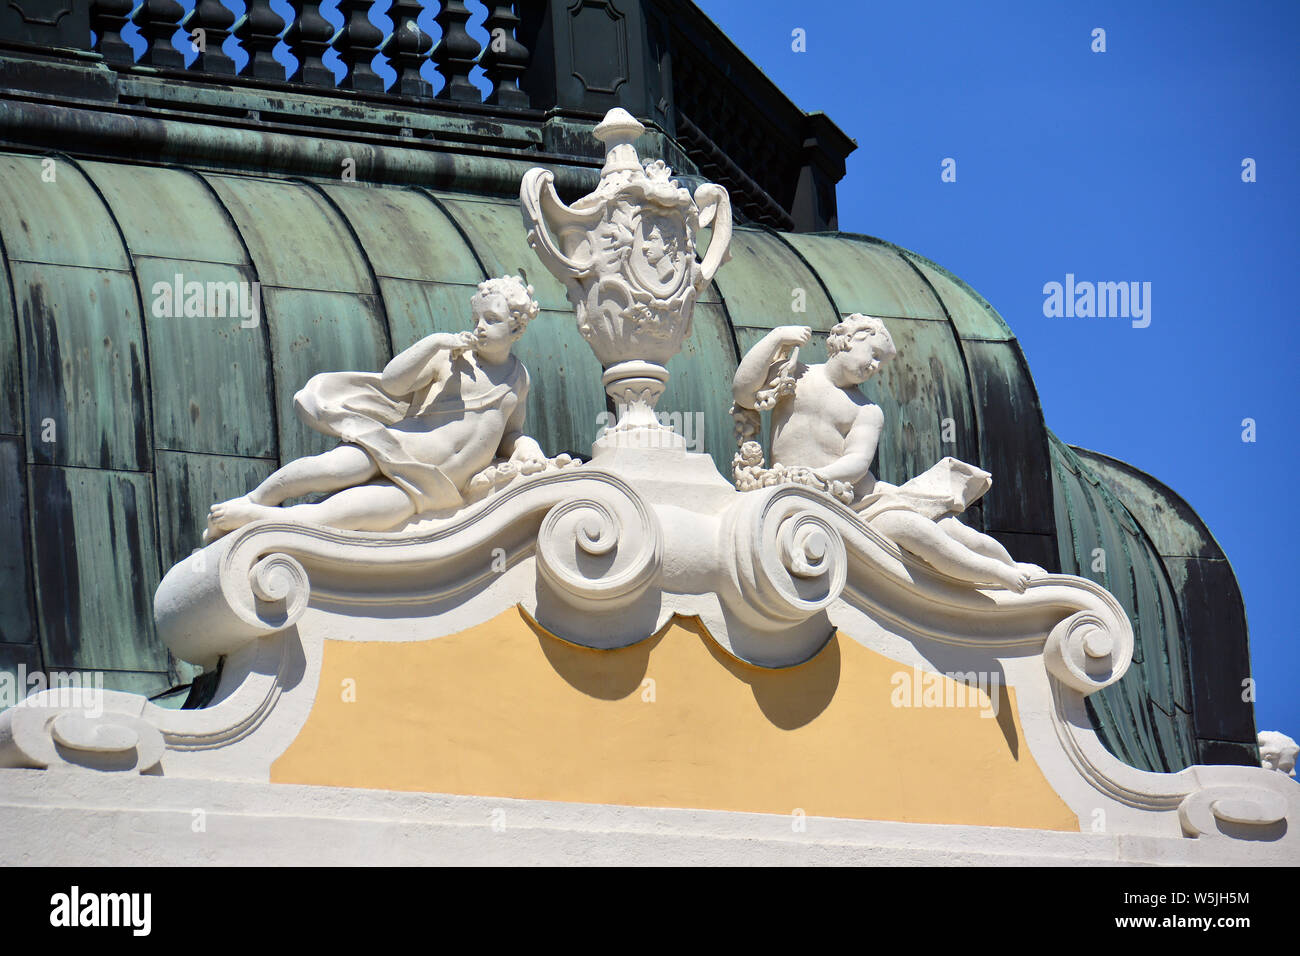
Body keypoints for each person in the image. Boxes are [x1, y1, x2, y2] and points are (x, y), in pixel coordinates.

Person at [205, 276, 548, 541]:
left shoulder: (520, 379)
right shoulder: (451, 357)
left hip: (435, 490)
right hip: (396, 446)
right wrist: (435, 343)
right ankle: (254, 499)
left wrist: (525, 445)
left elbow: (509, 434)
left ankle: (258, 523)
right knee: (327, 471)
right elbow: (393, 383)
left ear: (516, 327)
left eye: (491, 319)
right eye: (477, 317)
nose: (479, 326)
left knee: (343, 517)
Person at [731, 315, 1044, 592]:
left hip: (864, 503)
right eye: (874, 354)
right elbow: (744, 391)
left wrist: (817, 476)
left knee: (954, 530)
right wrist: (776, 338)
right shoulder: (797, 374)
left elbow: (857, 463)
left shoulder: (867, 410)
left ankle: (1011, 567)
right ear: (848, 340)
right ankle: (995, 573)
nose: (875, 366)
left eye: (881, 363)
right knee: (920, 532)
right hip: (825, 499)